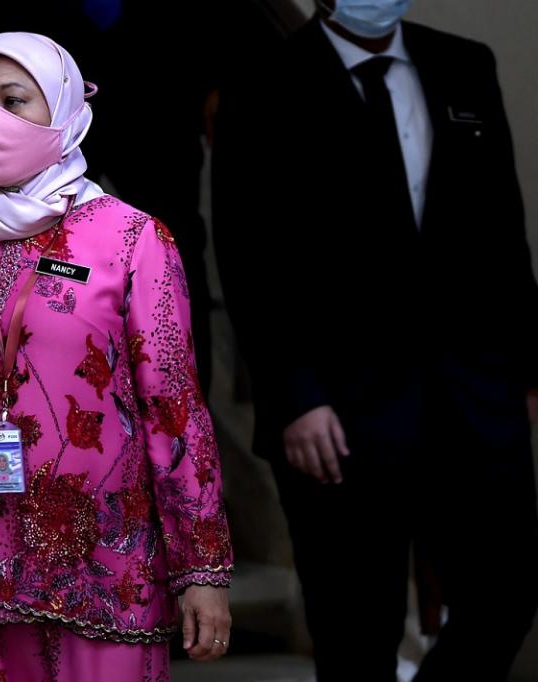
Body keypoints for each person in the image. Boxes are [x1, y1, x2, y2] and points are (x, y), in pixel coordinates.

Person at [0, 32, 233, 680]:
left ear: (66, 108)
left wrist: (201, 568)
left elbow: (175, 413)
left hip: (103, 576)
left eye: (15, 101)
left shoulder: (133, 237)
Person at [214, 1, 538, 680]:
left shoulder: (463, 64)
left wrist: (525, 371)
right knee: (356, 629)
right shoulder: (266, 79)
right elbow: (250, 255)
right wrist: (294, 395)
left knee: (505, 598)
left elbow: (503, 232)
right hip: (338, 411)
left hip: (475, 395)